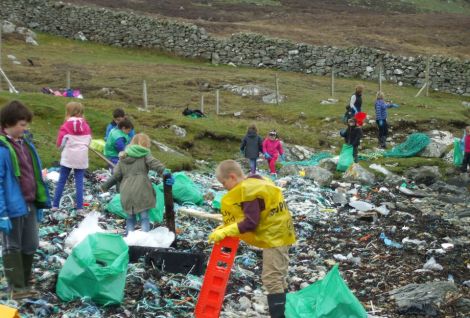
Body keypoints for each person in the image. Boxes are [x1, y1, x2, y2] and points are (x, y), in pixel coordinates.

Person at [208, 160, 296, 318]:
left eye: (223, 182)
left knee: (271, 278)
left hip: (274, 237)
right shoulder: (256, 180)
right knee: (279, 276)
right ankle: (289, 311)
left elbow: (250, 222)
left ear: (232, 177)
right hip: (282, 232)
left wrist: (228, 230)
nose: (223, 187)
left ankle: (280, 315)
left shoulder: (248, 191)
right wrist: (228, 225)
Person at [0, 101, 51, 299]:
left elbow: (35, 174)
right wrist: (2, 213)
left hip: (29, 203)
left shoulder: (26, 145)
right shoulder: (2, 149)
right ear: (8, 124)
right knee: (12, 246)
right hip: (12, 208)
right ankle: (17, 287)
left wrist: (40, 201)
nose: (25, 128)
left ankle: (25, 279)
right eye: (22, 124)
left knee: (31, 243)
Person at [101, 133, 174, 234]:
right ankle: (144, 239)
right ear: (146, 144)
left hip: (126, 190)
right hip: (142, 188)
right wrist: (166, 173)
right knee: (144, 217)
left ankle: (130, 239)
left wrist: (104, 186)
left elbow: (116, 175)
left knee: (130, 217)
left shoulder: (123, 157)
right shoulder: (144, 154)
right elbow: (155, 164)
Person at [52, 102, 92, 213]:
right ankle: (80, 207)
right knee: (79, 183)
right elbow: (89, 142)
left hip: (68, 158)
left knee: (62, 181)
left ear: (68, 112)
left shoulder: (65, 126)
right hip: (81, 158)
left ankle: (55, 205)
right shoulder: (86, 126)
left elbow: (60, 145)